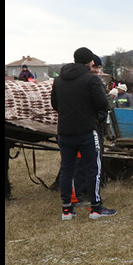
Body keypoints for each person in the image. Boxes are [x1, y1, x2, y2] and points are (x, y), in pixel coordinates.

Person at [50, 47, 116, 220]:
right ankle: (96, 207)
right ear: (90, 61)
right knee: (93, 168)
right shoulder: (91, 79)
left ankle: (67, 210)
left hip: (64, 131)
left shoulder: (59, 80)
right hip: (87, 130)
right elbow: (102, 104)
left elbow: (54, 104)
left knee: (67, 169)